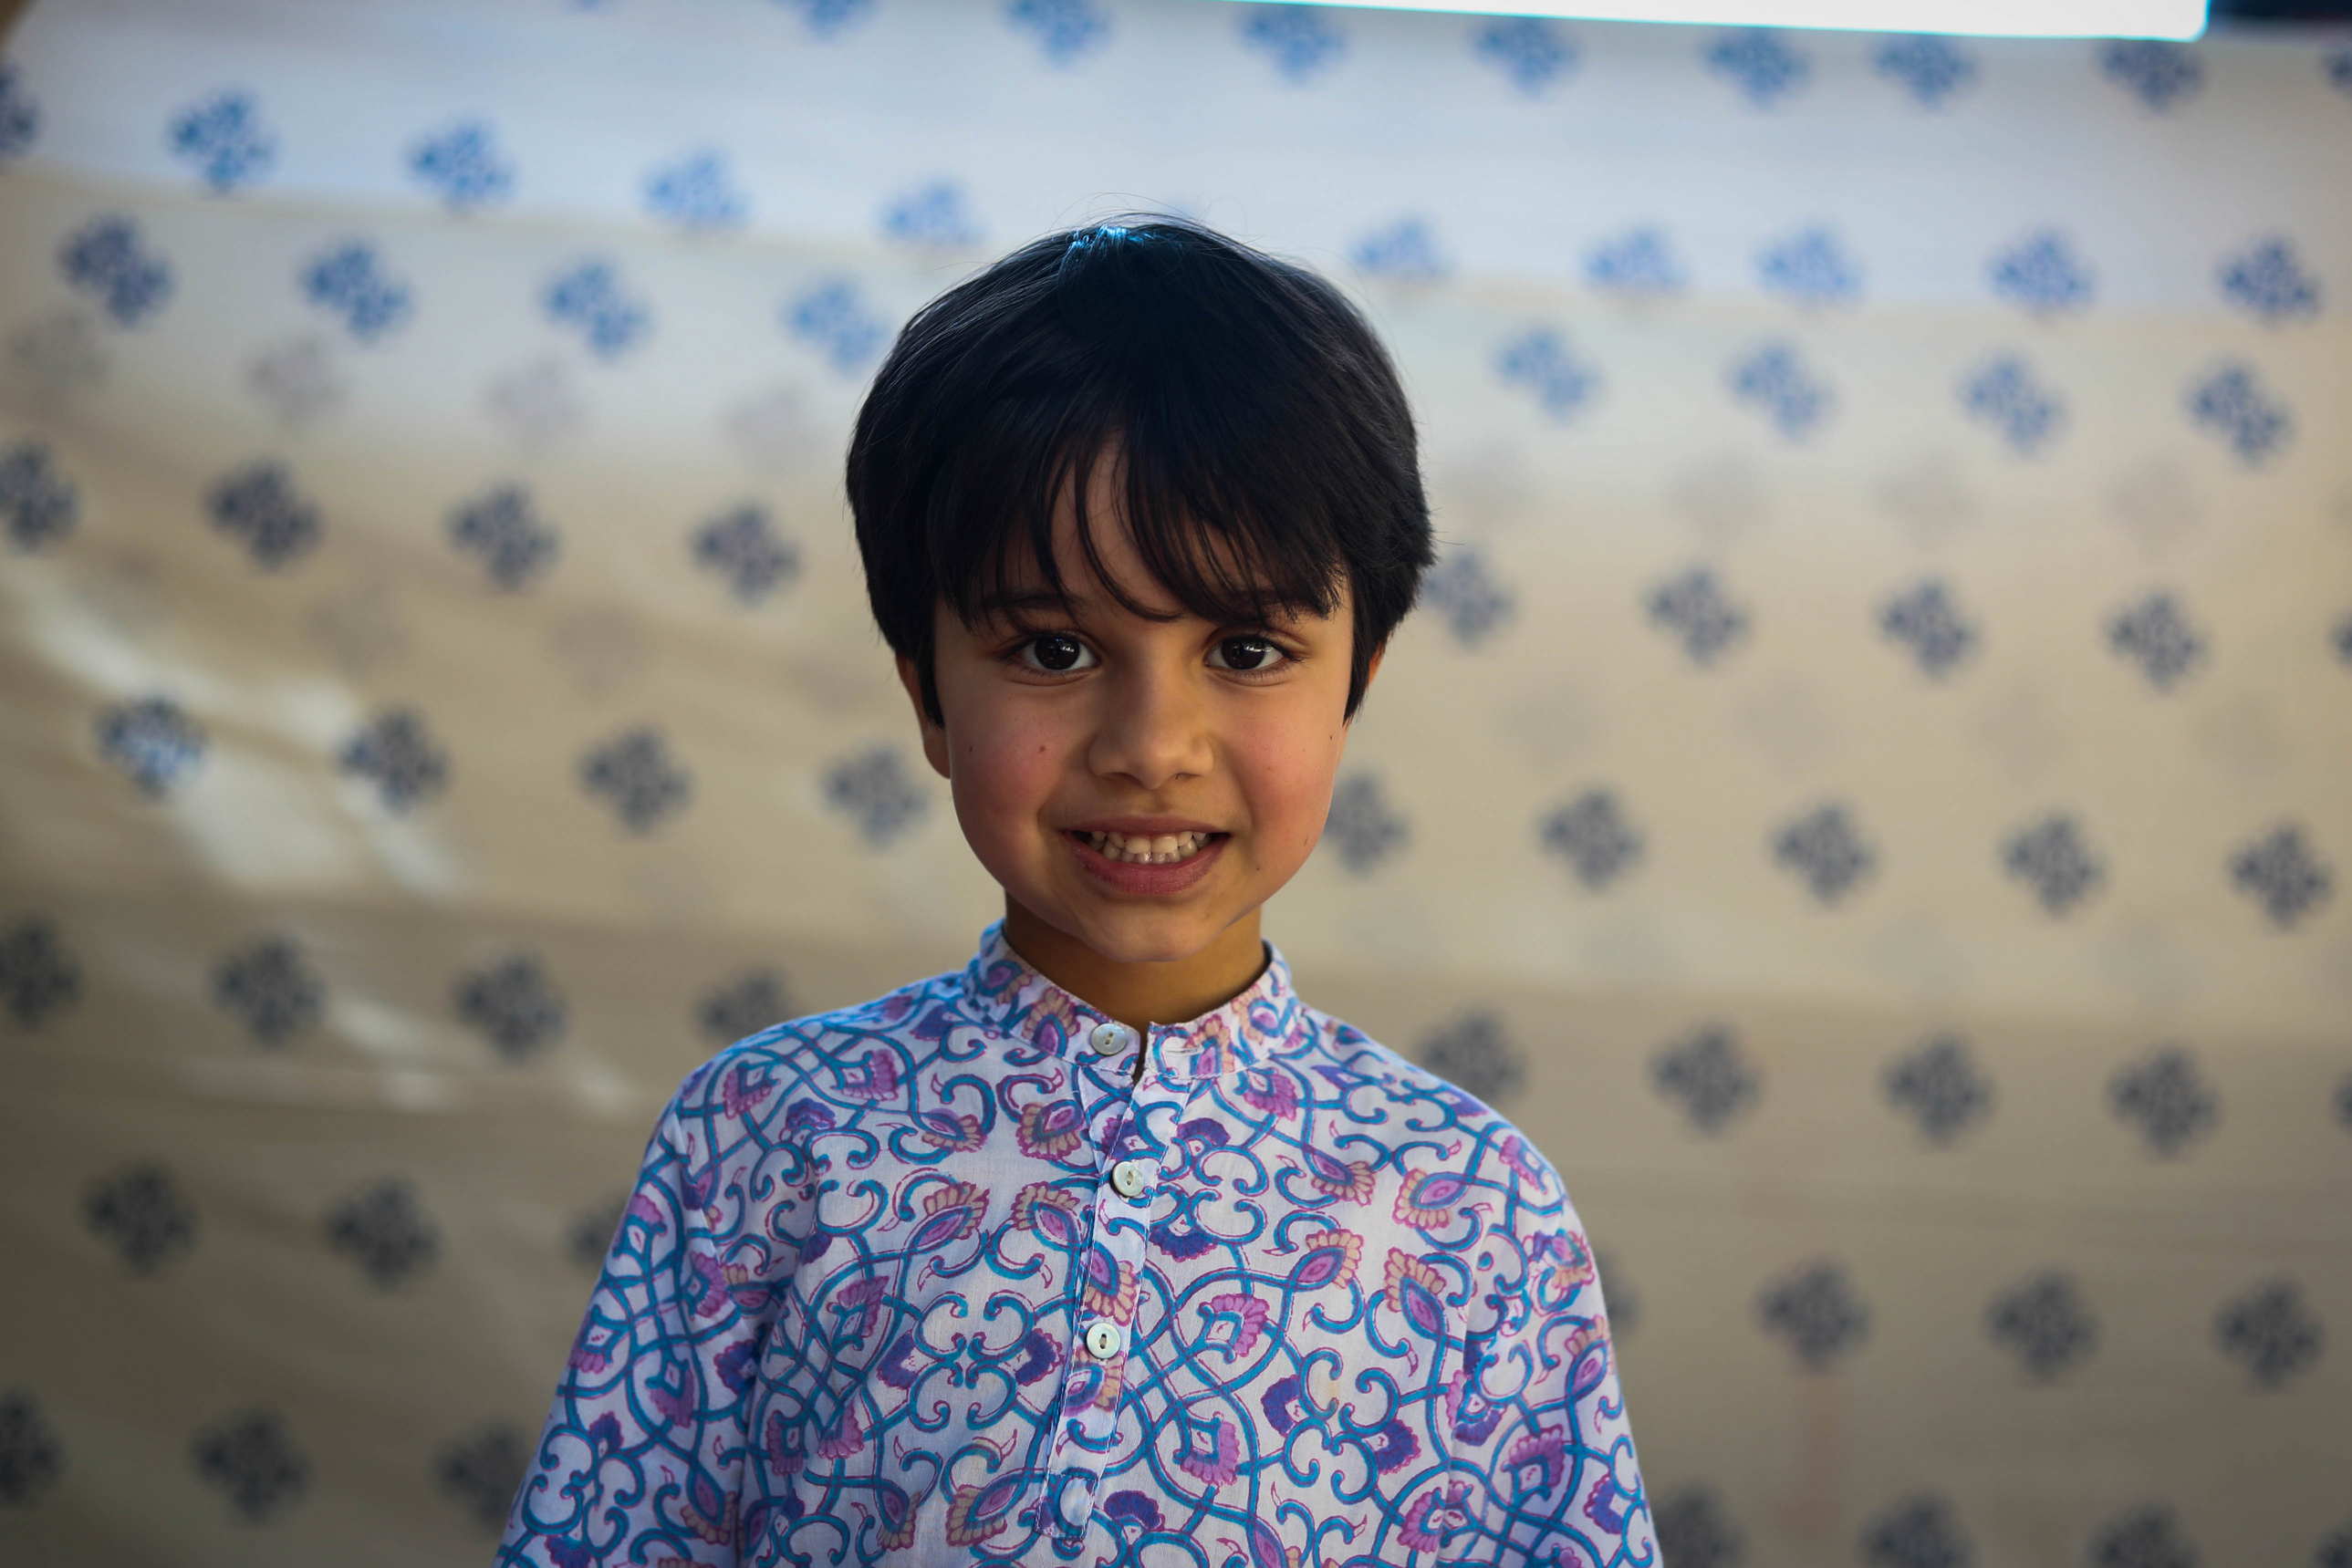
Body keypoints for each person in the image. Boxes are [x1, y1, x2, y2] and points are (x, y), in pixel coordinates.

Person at [496, 214, 1653, 1567]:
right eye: (1053, 649)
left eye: (1245, 647)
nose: (1150, 746)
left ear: (1355, 684)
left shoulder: (1474, 1206)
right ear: (928, 697)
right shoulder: (767, 1135)